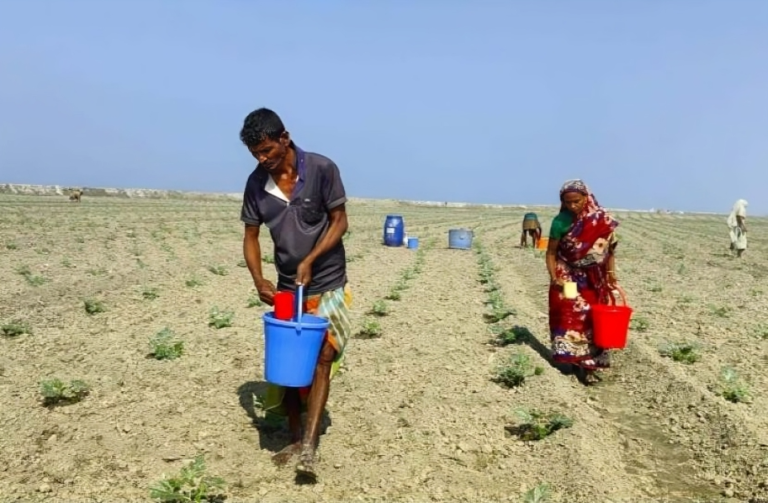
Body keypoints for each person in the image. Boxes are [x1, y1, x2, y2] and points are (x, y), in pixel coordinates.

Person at [239, 107, 352, 480]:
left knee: (322, 358)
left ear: (284, 138)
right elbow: (251, 236)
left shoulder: (321, 169)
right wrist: (259, 280)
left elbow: (340, 221)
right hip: (288, 287)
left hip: (329, 281)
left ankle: (310, 446)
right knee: (289, 367)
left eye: (267, 150)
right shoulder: (256, 184)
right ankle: (293, 436)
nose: (262, 158)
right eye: (256, 153)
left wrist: (313, 259)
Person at [545, 179, 620, 384]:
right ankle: (573, 360)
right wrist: (555, 278)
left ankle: (589, 364)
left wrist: (611, 272)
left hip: (594, 277)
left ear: (586, 197)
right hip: (567, 274)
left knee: (592, 318)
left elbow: (609, 250)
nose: (572, 206)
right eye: (568, 202)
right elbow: (551, 253)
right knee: (570, 314)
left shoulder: (601, 220)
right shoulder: (560, 221)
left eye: (576, 201)